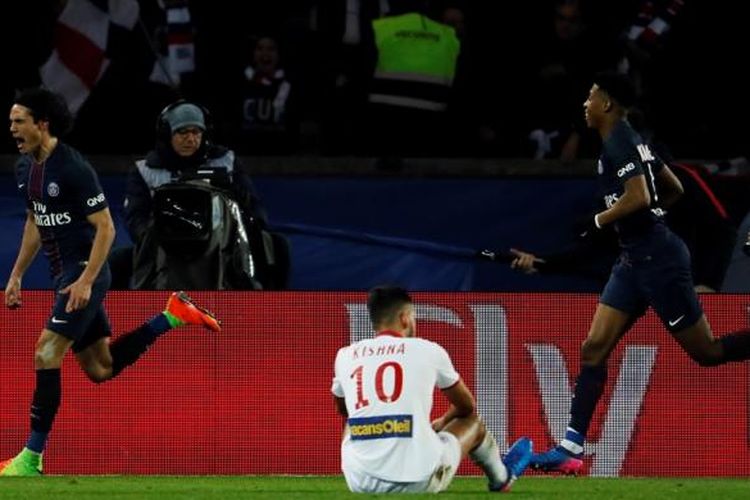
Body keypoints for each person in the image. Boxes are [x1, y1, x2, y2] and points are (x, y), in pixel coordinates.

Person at [524, 72, 750, 475]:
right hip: (633, 260)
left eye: (591, 95)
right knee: (593, 347)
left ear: (607, 104)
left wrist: (601, 219)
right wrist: (649, 216)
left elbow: (641, 196)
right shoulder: (633, 141)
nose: (585, 103)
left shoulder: (621, 141)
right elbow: (673, 187)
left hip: (659, 261)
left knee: (707, 353)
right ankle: (569, 447)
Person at [1, 88, 221, 476]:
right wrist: (16, 274)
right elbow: (36, 221)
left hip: (85, 271)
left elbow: (105, 227)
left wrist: (87, 280)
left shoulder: (72, 167)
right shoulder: (25, 169)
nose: (12, 128)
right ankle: (170, 316)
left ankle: (31, 459)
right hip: (64, 275)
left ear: (42, 124)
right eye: (11, 122)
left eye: (19, 121)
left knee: (45, 353)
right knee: (100, 368)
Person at [331, 286, 533, 493]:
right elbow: (467, 407)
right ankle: (502, 477)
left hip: (359, 482)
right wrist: (442, 422)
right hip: (419, 481)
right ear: (405, 318)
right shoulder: (428, 350)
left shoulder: (346, 355)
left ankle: (371, 461)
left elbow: (343, 409)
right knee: (474, 422)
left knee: (352, 416)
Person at [123, 100, 285, 290]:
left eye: (196, 132)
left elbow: (253, 208)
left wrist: (234, 193)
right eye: (182, 132)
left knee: (276, 245)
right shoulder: (145, 170)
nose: (190, 139)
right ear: (167, 134)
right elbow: (136, 219)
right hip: (165, 247)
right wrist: (155, 239)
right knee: (119, 259)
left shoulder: (226, 162)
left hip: (224, 244)